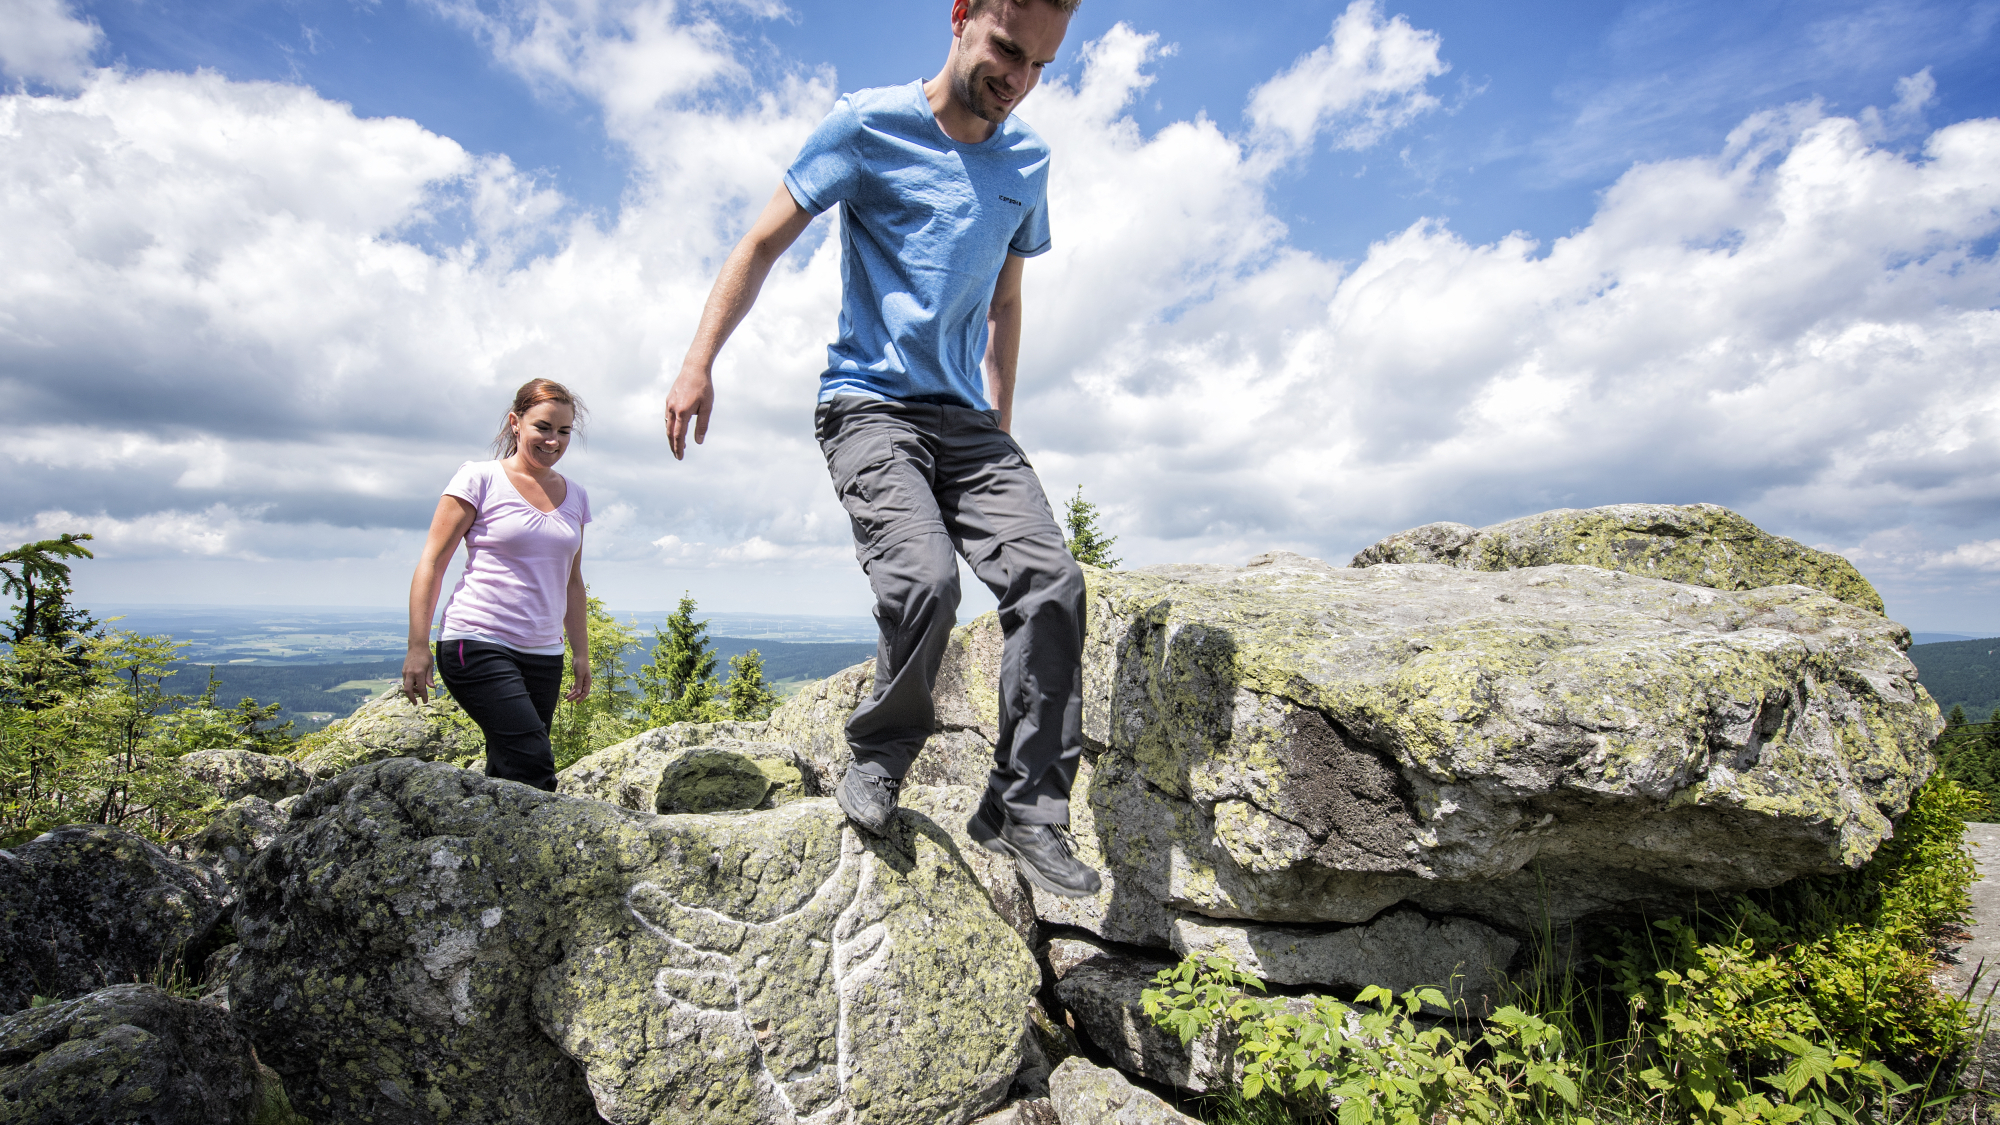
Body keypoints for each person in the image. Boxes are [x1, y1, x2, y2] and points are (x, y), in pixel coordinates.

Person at [661, 0, 1100, 897]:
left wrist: (1000, 423)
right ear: (961, 15)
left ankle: (1025, 809)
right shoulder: (867, 125)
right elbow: (760, 241)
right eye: (1007, 50)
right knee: (925, 579)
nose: (1016, 80)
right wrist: (698, 362)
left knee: (1052, 583)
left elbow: (1007, 302)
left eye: (1040, 68)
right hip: (867, 406)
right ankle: (881, 753)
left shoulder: (1028, 162)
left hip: (968, 421)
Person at [401, 379, 593, 791]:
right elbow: (432, 562)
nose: (553, 440)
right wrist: (418, 647)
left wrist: (581, 652)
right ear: (515, 423)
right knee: (532, 761)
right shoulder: (479, 478)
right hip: (477, 641)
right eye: (543, 427)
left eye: (564, 432)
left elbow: (572, 582)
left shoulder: (575, 495)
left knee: (512, 770)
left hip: (544, 652)